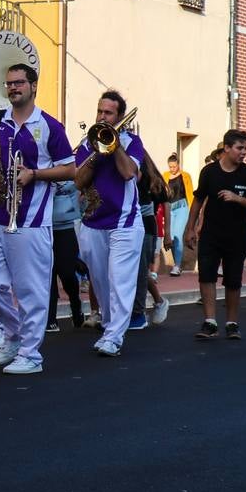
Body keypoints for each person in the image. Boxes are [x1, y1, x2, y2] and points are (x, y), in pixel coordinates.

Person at [0, 63, 75, 374]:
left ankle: (31, 355)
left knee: (30, 290)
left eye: (19, 82)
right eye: (9, 83)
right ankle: (14, 333)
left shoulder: (49, 126)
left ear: (33, 86)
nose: (13, 88)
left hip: (32, 220)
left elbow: (70, 169)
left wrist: (34, 174)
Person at [74, 90, 145, 357]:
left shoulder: (132, 142)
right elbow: (79, 181)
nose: (102, 117)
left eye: (108, 113)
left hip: (124, 222)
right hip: (93, 222)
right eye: (99, 111)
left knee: (119, 281)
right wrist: (97, 152)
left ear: (120, 116)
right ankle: (108, 327)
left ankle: (114, 336)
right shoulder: (86, 143)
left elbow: (128, 173)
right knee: (100, 281)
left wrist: (113, 145)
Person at [185, 129, 246, 339]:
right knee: (207, 276)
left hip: (237, 234)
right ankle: (210, 322)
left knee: (233, 280)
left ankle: (232, 323)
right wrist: (190, 228)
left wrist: (238, 198)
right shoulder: (209, 172)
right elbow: (198, 200)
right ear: (227, 148)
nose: (243, 152)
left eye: (245, 148)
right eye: (239, 148)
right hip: (211, 233)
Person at [131, 151, 170, 329]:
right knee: (134, 271)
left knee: (140, 271)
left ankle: (139, 313)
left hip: (146, 228)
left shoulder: (149, 177)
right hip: (130, 228)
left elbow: (165, 203)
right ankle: (158, 301)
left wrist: (167, 233)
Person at [49, 178, 85, 329]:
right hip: (42, 227)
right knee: (48, 275)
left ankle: (75, 304)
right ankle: (50, 318)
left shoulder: (71, 169)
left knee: (67, 274)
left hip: (66, 226)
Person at [164, 153, 193, 276]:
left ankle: (177, 265)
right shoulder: (165, 175)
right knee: (170, 237)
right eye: (170, 166)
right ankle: (176, 263)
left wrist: (193, 211)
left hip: (182, 207)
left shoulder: (185, 176)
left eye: (174, 166)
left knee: (177, 235)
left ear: (178, 165)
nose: (172, 169)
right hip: (169, 208)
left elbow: (190, 193)